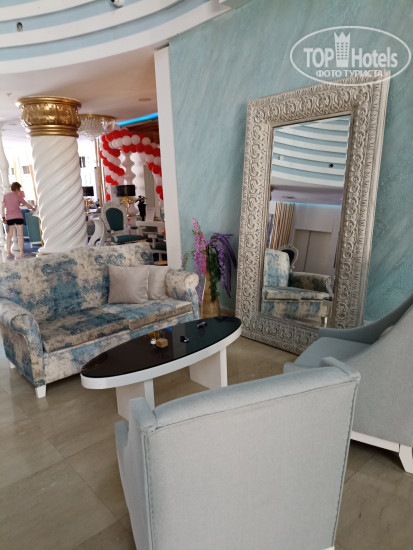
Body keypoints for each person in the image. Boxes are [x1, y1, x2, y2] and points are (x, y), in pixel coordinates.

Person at [2, 182, 36, 260]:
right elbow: (27, 205)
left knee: (9, 236)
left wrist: (3, 218)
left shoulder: (6, 196)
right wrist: (33, 208)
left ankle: (9, 254)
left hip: (9, 218)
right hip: (18, 217)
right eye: (19, 189)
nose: (19, 190)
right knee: (20, 234)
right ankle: (22, 253)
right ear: (17, 188)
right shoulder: (18, 196)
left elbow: (2, 207)